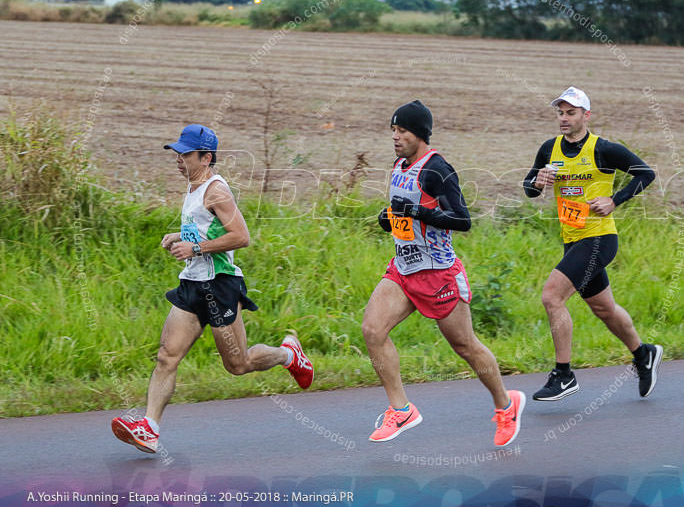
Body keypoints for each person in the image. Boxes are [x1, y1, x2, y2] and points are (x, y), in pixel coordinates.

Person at [111, 124, 314, 454]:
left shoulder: (217, 191)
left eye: (186, 154)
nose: (178, 159)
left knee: (238, 365)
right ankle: (149, 427)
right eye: (177, 152)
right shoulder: (194, 186)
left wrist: (194, 249)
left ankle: (289, 355)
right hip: (192, 284)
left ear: (206, 158)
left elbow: (241, 236)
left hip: (219, 286)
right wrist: (180, 236)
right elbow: (207, 228)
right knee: (167, 356)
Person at [362, 100, 525, 446]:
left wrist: (418, 212)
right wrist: (389, 218)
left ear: (419, 133)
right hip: (404, 269)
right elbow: (403, 212)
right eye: (393, 130)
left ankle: (505, 405)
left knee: (466, 346)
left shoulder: (438, 169)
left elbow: (462, 219)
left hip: (438, 274)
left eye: (402, 130)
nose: (395, 136)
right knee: (372, 330)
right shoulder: (398, 165)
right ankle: (401, 409)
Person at [522, 87, 662, 401]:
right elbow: (529, 187)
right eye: (560, 112)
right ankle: (644, 354)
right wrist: (536, 182)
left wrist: (615, 199)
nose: (564, 118)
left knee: (551, 296)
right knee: (604, 308)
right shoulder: (550, 148)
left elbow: (645, 173)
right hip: (572, 240)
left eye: (571, 112)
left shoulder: (604, 149)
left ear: (586, 115)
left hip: (599, 238)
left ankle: (564, 375)